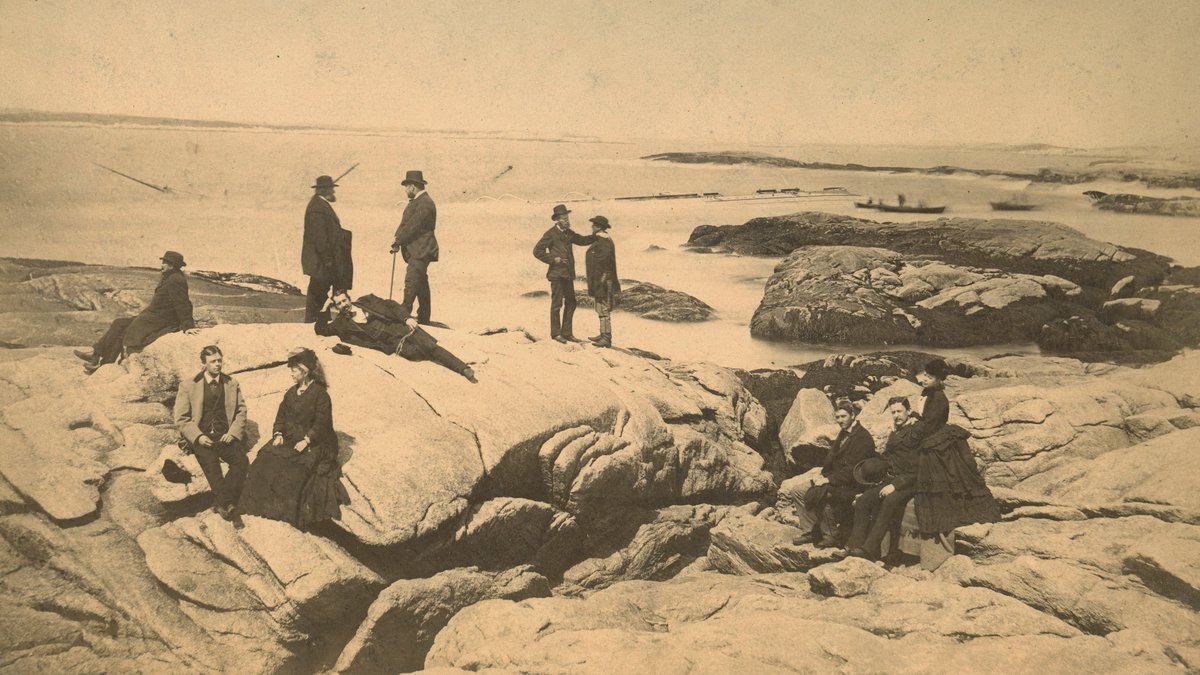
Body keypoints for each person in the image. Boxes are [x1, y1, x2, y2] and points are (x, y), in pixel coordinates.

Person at [239, 348, 349, 530]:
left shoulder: (320, 394)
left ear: (304, 370)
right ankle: (258, 506)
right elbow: (281, 416)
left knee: (294, 470)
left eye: (294, 369)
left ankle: (283, 512)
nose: (291, 373)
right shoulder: (291, 393)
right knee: (264, 459)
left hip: (317, 442)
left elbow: (322, 423)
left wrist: (307, 440)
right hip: (291, 437)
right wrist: (278, 434)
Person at [912, 358, 1000, 536]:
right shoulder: (928, 392)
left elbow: (929, 424)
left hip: (935, 441)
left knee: (947, 483)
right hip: (931, 436)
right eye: (924, 376)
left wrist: (912, 432)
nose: (924, 379)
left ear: (939, 379)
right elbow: (925, 417)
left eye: (929, 377)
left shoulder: (939, 398)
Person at [315, 290, 476, 382]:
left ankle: (464, 369)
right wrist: (324, 308)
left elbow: (390, 304)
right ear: (335, 306)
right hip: (391, 342)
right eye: (339, 303)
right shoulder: (341, 323)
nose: (344, 305)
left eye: (344, 300)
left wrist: (407, 318)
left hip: (400, 327)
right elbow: (321, 329)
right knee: (415, 354)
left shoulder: (367, 301)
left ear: (350, 299)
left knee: (431, 348)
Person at [74, 250, 196, 373]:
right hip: (152, 316)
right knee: (119, 323)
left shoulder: (176, 279)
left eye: (164, 262)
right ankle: (95, 355)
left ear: (172, 265)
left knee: (126, 331)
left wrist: (188, 326)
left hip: (162, 320)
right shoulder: (169, 277)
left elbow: (183, 303)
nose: (161, 265)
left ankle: (104, 365)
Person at [173, 345, 249, 525]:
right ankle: (229, 506)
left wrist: (232, 433)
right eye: (213, 361)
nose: (218, 364)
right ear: (203, 364)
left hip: (225, 436)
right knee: (212, 467)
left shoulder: (231, 383)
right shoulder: (188, 385)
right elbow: (181, 418)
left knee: (241, 462)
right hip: (202, 437)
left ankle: (221, 503)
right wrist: (198, 437)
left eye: (219, 360)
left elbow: (241, 411)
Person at [786, 401, 876, 548]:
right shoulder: (843, 433)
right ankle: (810, 531)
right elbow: (831, 460)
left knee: (821, 494)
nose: (840, 420)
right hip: (836, 479)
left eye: (843, 416)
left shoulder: (862, 438)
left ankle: (831, 535)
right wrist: (821, 476)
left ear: (853, 415)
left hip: (851, 484)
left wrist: (828, 480)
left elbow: (853, 470)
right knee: (797, 490)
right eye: (837, 417)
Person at [846, 396, 920, 561]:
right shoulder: (896, 430)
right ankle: (853, 546)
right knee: (864, 500)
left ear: (908, 411)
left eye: (899, 411)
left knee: (888, 501)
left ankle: (868, 550)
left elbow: (916, 468)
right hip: (892, 479)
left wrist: (894, 486)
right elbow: (889, 456)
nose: (896, 415)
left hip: (910, 482)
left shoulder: (914, 433)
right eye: (893, 412)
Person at [532, 204, 596, 343]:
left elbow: (582, 240)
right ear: (557, 220)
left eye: (568, 217)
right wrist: (553, 259)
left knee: (571, 302)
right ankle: (556, 334)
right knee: (556, 305)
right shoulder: (550, 234)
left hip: (567, 274)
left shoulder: (569, 233)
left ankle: (566, 333)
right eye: (564, 218)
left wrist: (596, 236)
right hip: (556, 274)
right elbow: (537, 251)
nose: (567, 220)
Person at [302, 175, 353, 323]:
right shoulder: (317, 208)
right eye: (331, 189)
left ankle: (318, 321)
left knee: (319, 292)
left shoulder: (320, 205)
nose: (333, 193)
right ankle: (312, 322)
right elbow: (320, 238)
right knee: (317, 292)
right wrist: (329, 260)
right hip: (321, 261)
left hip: (323, 260)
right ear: (324, 190)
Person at [389, 170, 438, 325]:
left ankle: (403, 315)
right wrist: (397, 238)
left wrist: (398, 241)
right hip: (418, 250)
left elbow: (413, 226)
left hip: (421, 250)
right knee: (420, 283)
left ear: (412, 187)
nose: (405, 190)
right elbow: (405, 223)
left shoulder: (425, 203)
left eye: (406, 186)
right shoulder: (418, 201)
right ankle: (424, 318)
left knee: (411, 282)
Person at [584, 215, 620, 348]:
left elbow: (604, 262)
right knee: (600, 307)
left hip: (603, 280)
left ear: (598, 227)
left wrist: (601, 280)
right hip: (600, 279)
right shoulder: (602, 239)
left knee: (603, 308)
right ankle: (603, 334)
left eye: (593, 225)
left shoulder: (603, 241)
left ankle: (606, 338)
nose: (591, 227)